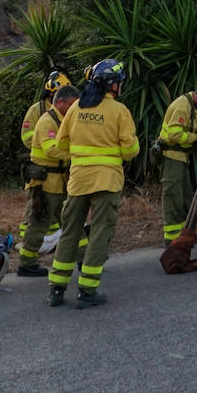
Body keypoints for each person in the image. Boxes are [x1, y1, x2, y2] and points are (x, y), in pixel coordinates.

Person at [47, 60, 139, 308]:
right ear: (113, 85)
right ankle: (87, 291)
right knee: (99, 234)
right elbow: (130, 151)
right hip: (107, 181)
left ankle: (56, 289)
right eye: (120, 82)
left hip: (78, 181)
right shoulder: (119, 111)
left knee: (69, 233)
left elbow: (61, 146)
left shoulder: (76, 108)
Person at [16, 79, 79, 276]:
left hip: (59, 181)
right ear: (61, 103)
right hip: (45, 182)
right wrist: (77, 154)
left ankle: (85, 257)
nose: (73, 109)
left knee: (69, 220)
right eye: (71, 105)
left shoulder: (62, 119)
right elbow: (51, 150)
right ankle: (26, 263)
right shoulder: (46, 121)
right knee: (40, 222)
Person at [157, 85, 197, 243]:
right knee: (173, 198)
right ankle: (171, 240)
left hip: (181, 157)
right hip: (171, 156)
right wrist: (196, 138)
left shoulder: (194, 107)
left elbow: (187, 129)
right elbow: (174, 135)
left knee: (184, 197)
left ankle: (185, 235)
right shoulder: (183, 106)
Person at [17, 71, 68, 241]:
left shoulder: (67, 110)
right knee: (37, 203)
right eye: (55, 94)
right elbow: (26, 135)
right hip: (41, 164)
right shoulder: (37, 110)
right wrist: (39, 145)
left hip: (59, 165)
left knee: (55, 205)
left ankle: (51, 236)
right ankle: (28, 239)